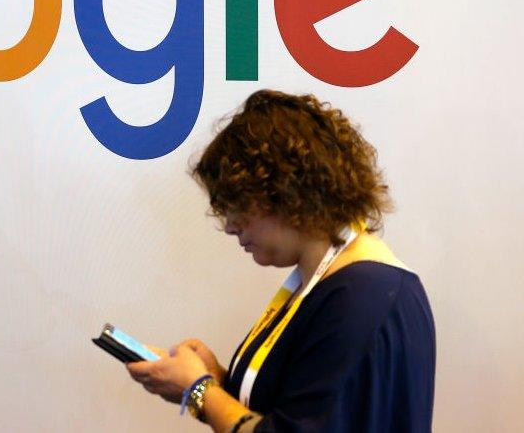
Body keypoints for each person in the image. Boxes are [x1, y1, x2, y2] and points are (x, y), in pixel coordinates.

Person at [125, 90, 435, 432]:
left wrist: (200, 391)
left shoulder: (363, 297)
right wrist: (213, 382)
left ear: (287, 193)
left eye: (237, 205)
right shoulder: (327, 284)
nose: (229, 225)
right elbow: (290, 411)